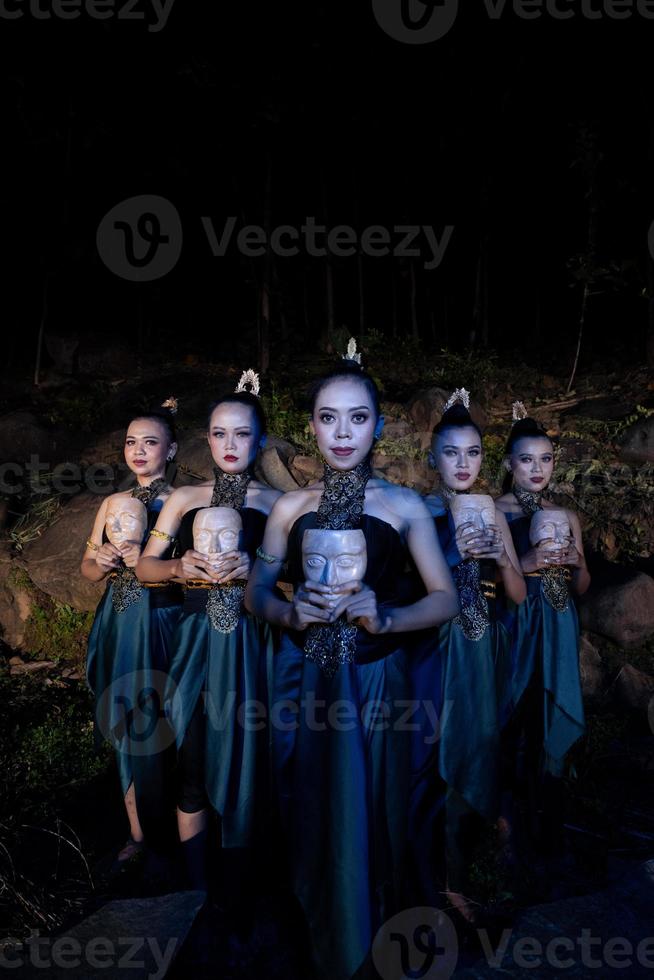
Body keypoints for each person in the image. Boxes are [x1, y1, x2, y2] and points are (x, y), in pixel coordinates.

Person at [245, 344, 458, 980]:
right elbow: (256, 593)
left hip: (380, 684)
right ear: (310, 425)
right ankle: (320, 930)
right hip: (310, 684)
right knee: (312, 808)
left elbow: (445, 598)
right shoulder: (288, 509)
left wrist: (388, 617)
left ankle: (381, 938)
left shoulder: (405, 506)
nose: (343, 433)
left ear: (379, 426)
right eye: (328, 418)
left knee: (381, 810)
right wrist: (287, 614)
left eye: (358, 418)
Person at [136, 371, 280, 892]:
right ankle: (197, 893)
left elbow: (300, 577)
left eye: (242, 433)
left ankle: (247, 889)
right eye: (219, 433)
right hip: (195, 643)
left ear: (260, 440)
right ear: (206, 439)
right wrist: (180, 568)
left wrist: (260, 569)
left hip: (253, 644)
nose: (229, 444)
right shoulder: (184, 497)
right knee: (192, 763)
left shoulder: (278, 504)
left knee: (252, 760)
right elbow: (145, 568)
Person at [422, 388, 525, 927]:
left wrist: (500, 555)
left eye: (474, 453)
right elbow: (407, 583)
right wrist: (456, 550)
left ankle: (463, 874)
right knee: (436, 754)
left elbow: (517, 594)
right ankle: (437, 879)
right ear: (432, 457)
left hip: (482, 646)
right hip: (435, 650)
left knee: (481, 746)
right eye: (451, 452)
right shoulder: (416, 510)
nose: (463, 464)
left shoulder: (492, 511)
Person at [82, 399, 182, 866]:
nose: (138, 451)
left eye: (150, 442)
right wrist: (99, 562)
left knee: (167, 713)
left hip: (163, 618)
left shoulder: (185, 501)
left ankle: (181, 825)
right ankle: (138, 833)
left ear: (172, 448)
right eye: (130, 442)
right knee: (125, 714)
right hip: (121, 618)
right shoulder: (111, 503)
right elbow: (85, 568)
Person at [495, 403, 589, 856]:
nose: (537, 469)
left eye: (546, 459)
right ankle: (505, 817)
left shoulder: (566, 514)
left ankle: (549, 812)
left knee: (552, 706)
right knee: (514, 705)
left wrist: (574, 563)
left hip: (559, 618)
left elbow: (584, 583)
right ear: (510, 463)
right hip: (518, 617)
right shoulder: (495, 510)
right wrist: (523, 563)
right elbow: (477, 576)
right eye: (526, 459)